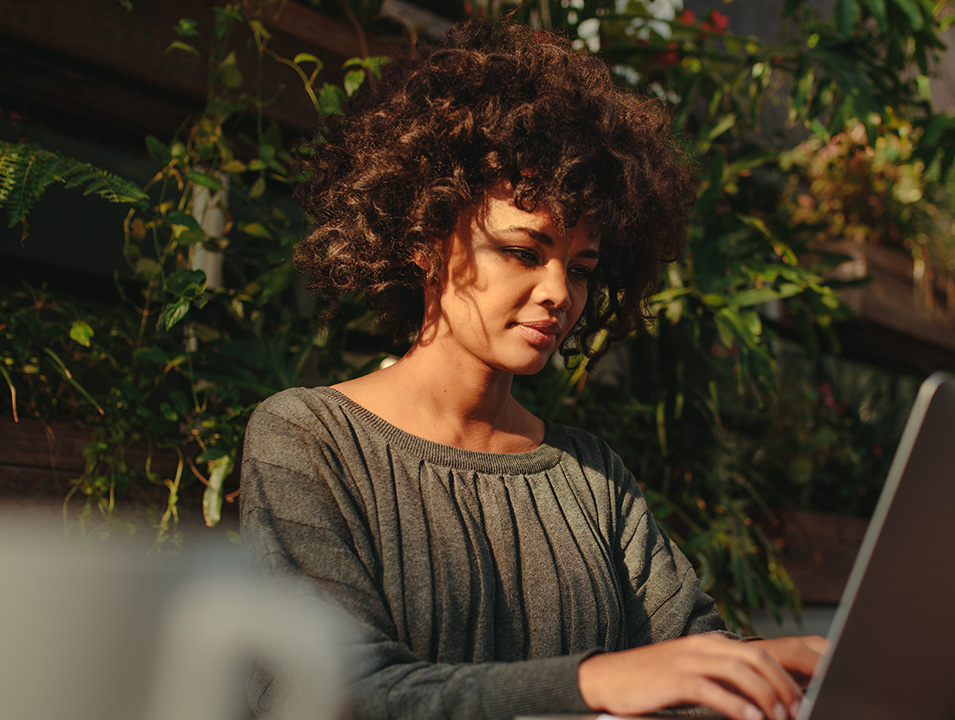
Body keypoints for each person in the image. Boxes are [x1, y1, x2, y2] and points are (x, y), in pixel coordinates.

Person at [239, 18, 825, 720]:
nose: (559, 293)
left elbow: (690, 661)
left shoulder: (588, 476)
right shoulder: (311, 440)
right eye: (523, 251)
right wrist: (593, 683)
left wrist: (771, 673)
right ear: (427, 238)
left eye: (582, 268)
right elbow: (336, 692)